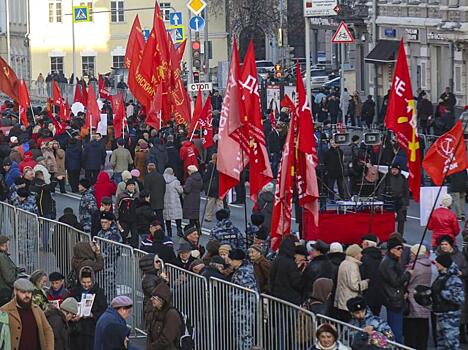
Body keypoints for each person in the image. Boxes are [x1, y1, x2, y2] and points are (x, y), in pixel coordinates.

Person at [1, 278, 54, 349]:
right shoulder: (5, 311)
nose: (27, 296)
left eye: (29, 292)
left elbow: (47, 330)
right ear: (15, 291)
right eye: (23, 292)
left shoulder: (36, 309)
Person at [379, 236, 411, 343]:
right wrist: (407, 274)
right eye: (398, 248)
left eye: (402, 248)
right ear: (391, 249)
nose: (401, 250)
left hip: (394, 298)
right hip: (393, 299)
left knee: (396, 328)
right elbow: (395, 282)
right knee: (395, 330)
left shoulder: (392, 260)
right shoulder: (388, 263)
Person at [432, 253, 465, 349]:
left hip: (450, 318)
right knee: (441, 344)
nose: (436, 264)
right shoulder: (441, 277)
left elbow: (460, 298)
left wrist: (443, 293)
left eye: (437, 263)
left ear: (443, 264)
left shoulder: (454, 279)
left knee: (452, 344)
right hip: (440, 315)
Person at [69, 266, 107, 350]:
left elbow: (104, 310)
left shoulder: (99, 292)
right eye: (83, 282)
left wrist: (93, 315)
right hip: (77, 330)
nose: (86, 285)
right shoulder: (74, 291)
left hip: (92, 329)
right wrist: (72, 316)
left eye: (89, 282)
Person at [403, 244, 432, 350]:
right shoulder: (428, 265)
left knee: (411, 334)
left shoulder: (414, 267)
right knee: (422, 332)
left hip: (412, 301)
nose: (410, 255)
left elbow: (405, 281)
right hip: (424, 300)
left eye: (412, 253)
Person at [334, 244, 368, 321]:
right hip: (350, 301)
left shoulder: (344, 263)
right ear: (355, 254)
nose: (361, 255)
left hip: (342, 301)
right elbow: (354, 285)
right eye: (360, 253)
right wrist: (365, 283)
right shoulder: (352, 266)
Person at [269, 237, 304, 305]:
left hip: (275, 298)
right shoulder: (290, 263)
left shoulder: (276, 260)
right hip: (289, 299)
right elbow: (296, 282)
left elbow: (271, 277)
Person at [147, 283, 182, 349]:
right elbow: (150, 333)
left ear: (162, 300)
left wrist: (151, 348)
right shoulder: (155, 311)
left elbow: (166, 339)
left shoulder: (172, 314)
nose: (151, 299)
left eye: (154, 298)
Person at [360, 234, 384, 316]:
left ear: (366, 244)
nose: (361, 245)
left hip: (366, 293)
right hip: (379, 294)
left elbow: (362, 275)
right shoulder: (381, 258)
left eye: (362, 243)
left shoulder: (364, 258)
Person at [386, 164, 409, 235]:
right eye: (393, 169)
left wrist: (406, 202)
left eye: (396, 169)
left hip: (400, 201)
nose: (394, 171)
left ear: (399, 170)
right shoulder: (387, 177)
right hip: (389, 200)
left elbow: (406, 190)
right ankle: (389, 235)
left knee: (401, 220)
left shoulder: (402, 177)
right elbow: (382, 188)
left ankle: (400, 236)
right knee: (389, 220)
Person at [144, 162, 166, 231]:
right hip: (159, 199)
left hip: (151, 200)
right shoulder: (160, 176)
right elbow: (164, 188)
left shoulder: (147, 177)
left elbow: (146, 189)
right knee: (160, 217)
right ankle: (162, 230)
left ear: (148, 169)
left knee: (151, 217)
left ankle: (152, 231)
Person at [163, 168, 183, 237]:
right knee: (177, 216)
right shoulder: (175, 181)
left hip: (166, 201)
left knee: (167, 217)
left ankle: (169, 232)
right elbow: (180, 191)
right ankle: (179, 230)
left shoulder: (162, 181)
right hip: (175, 201)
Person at [183, 165, 203, 234]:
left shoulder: (190, 179)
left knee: (191, 215)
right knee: (195, 214)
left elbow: (187, 189)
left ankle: (192, 230)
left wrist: (183, 187)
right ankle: (198, 229)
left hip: (190, 198)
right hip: (197, 196)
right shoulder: (199, 177)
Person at [203, 153, 223, 222]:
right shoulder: (222, 165)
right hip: (220, 185)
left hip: (212, 186)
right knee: (220, 202)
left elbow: (206, 176)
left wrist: (204, 182)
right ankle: (221, 218)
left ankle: (208, 217)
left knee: (210, 202)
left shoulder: (211, 165)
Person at [0, 235, 18, 306]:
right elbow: (9, 278)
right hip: (4, 291)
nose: (8, 247)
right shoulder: (2, 257)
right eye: (7, 245)